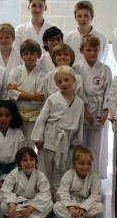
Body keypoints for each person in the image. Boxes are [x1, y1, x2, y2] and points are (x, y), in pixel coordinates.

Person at [31, 66, 84, 194]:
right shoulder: (52, 98)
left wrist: (76, 141)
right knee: (46, 166)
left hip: (68, 139)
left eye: (66, 80)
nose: (63, 84)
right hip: (51, 137)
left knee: (64, 167)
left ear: (74, 80)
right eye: (59, 82)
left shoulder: (79, 102)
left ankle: (60, 193)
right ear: (56, 84)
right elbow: (42, 118)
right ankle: (44, 193)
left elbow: (80, 122)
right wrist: (38, 138)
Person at [74, 34, 112, 178]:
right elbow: (78, 90)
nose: (92, 53)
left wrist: (106, 111)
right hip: (82, 109)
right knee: (81, 144)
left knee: (96, 146)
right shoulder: (77, 68)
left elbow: (109, 91)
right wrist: (85, 111)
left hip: (99, 109)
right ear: (81, 50)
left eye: (95, 50)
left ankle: (94, 177)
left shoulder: (105, 69)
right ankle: (79, 176)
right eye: (89, 50)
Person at [0, 147, 53, 218]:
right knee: (4, 206)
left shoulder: (40, 175)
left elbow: (45, 194)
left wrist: (29, 209)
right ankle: (31, 216)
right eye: (25, 160)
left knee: (50, 205)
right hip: (18, 203)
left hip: (33, 203)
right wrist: (12, 205)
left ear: (36, 161)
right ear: (19, 163)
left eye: (31, 160)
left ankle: (20, 216)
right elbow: (6, 190)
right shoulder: (13, 174)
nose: (29, 163)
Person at [52, 146, 103, 218]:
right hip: (71, 203)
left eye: (89, 164)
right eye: (82, 163)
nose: (85, 167)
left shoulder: (95, 177)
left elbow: (95, 196)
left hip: (86, 203)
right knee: (57, 207)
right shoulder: (68, 174)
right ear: (74, 164)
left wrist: (83, 208)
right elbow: (63, 192)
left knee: (100, 207)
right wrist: (70, 207)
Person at [8, 39, 45, 145]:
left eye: (32, 54)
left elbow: (40, 97)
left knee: (30, 145)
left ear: (38, 55)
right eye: (26, 54)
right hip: (17, 114)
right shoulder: (16, 71)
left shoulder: (42, 75)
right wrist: (32, 96)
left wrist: (18, 92)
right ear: (21, 55)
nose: (29, 57)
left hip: (34, 116)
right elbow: (10, 93)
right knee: (16, 144)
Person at [66, 1, 109, 66]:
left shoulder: (102, 38)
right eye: (79, 16)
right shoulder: (68, 38)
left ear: (92, 17)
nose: (82, 19)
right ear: (75, 18)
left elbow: (103, 60)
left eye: (86, 16)